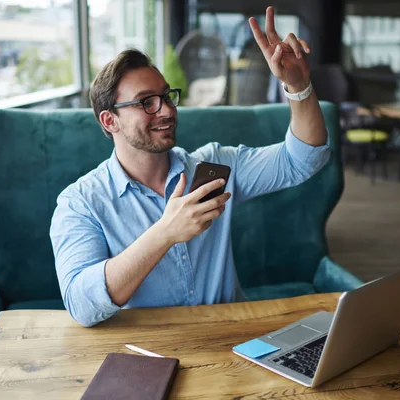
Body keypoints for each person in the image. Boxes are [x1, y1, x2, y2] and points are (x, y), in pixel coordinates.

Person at [50, 6, 330, 327]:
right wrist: (165, 234)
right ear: (109, 120)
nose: (167, 111)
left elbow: (305, 158)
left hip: (230, 340)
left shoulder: (215, 165)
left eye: (167, 97)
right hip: (147, 354)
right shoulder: (80, 203)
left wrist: (298, 84)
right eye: (146, 102)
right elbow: (82, 306)